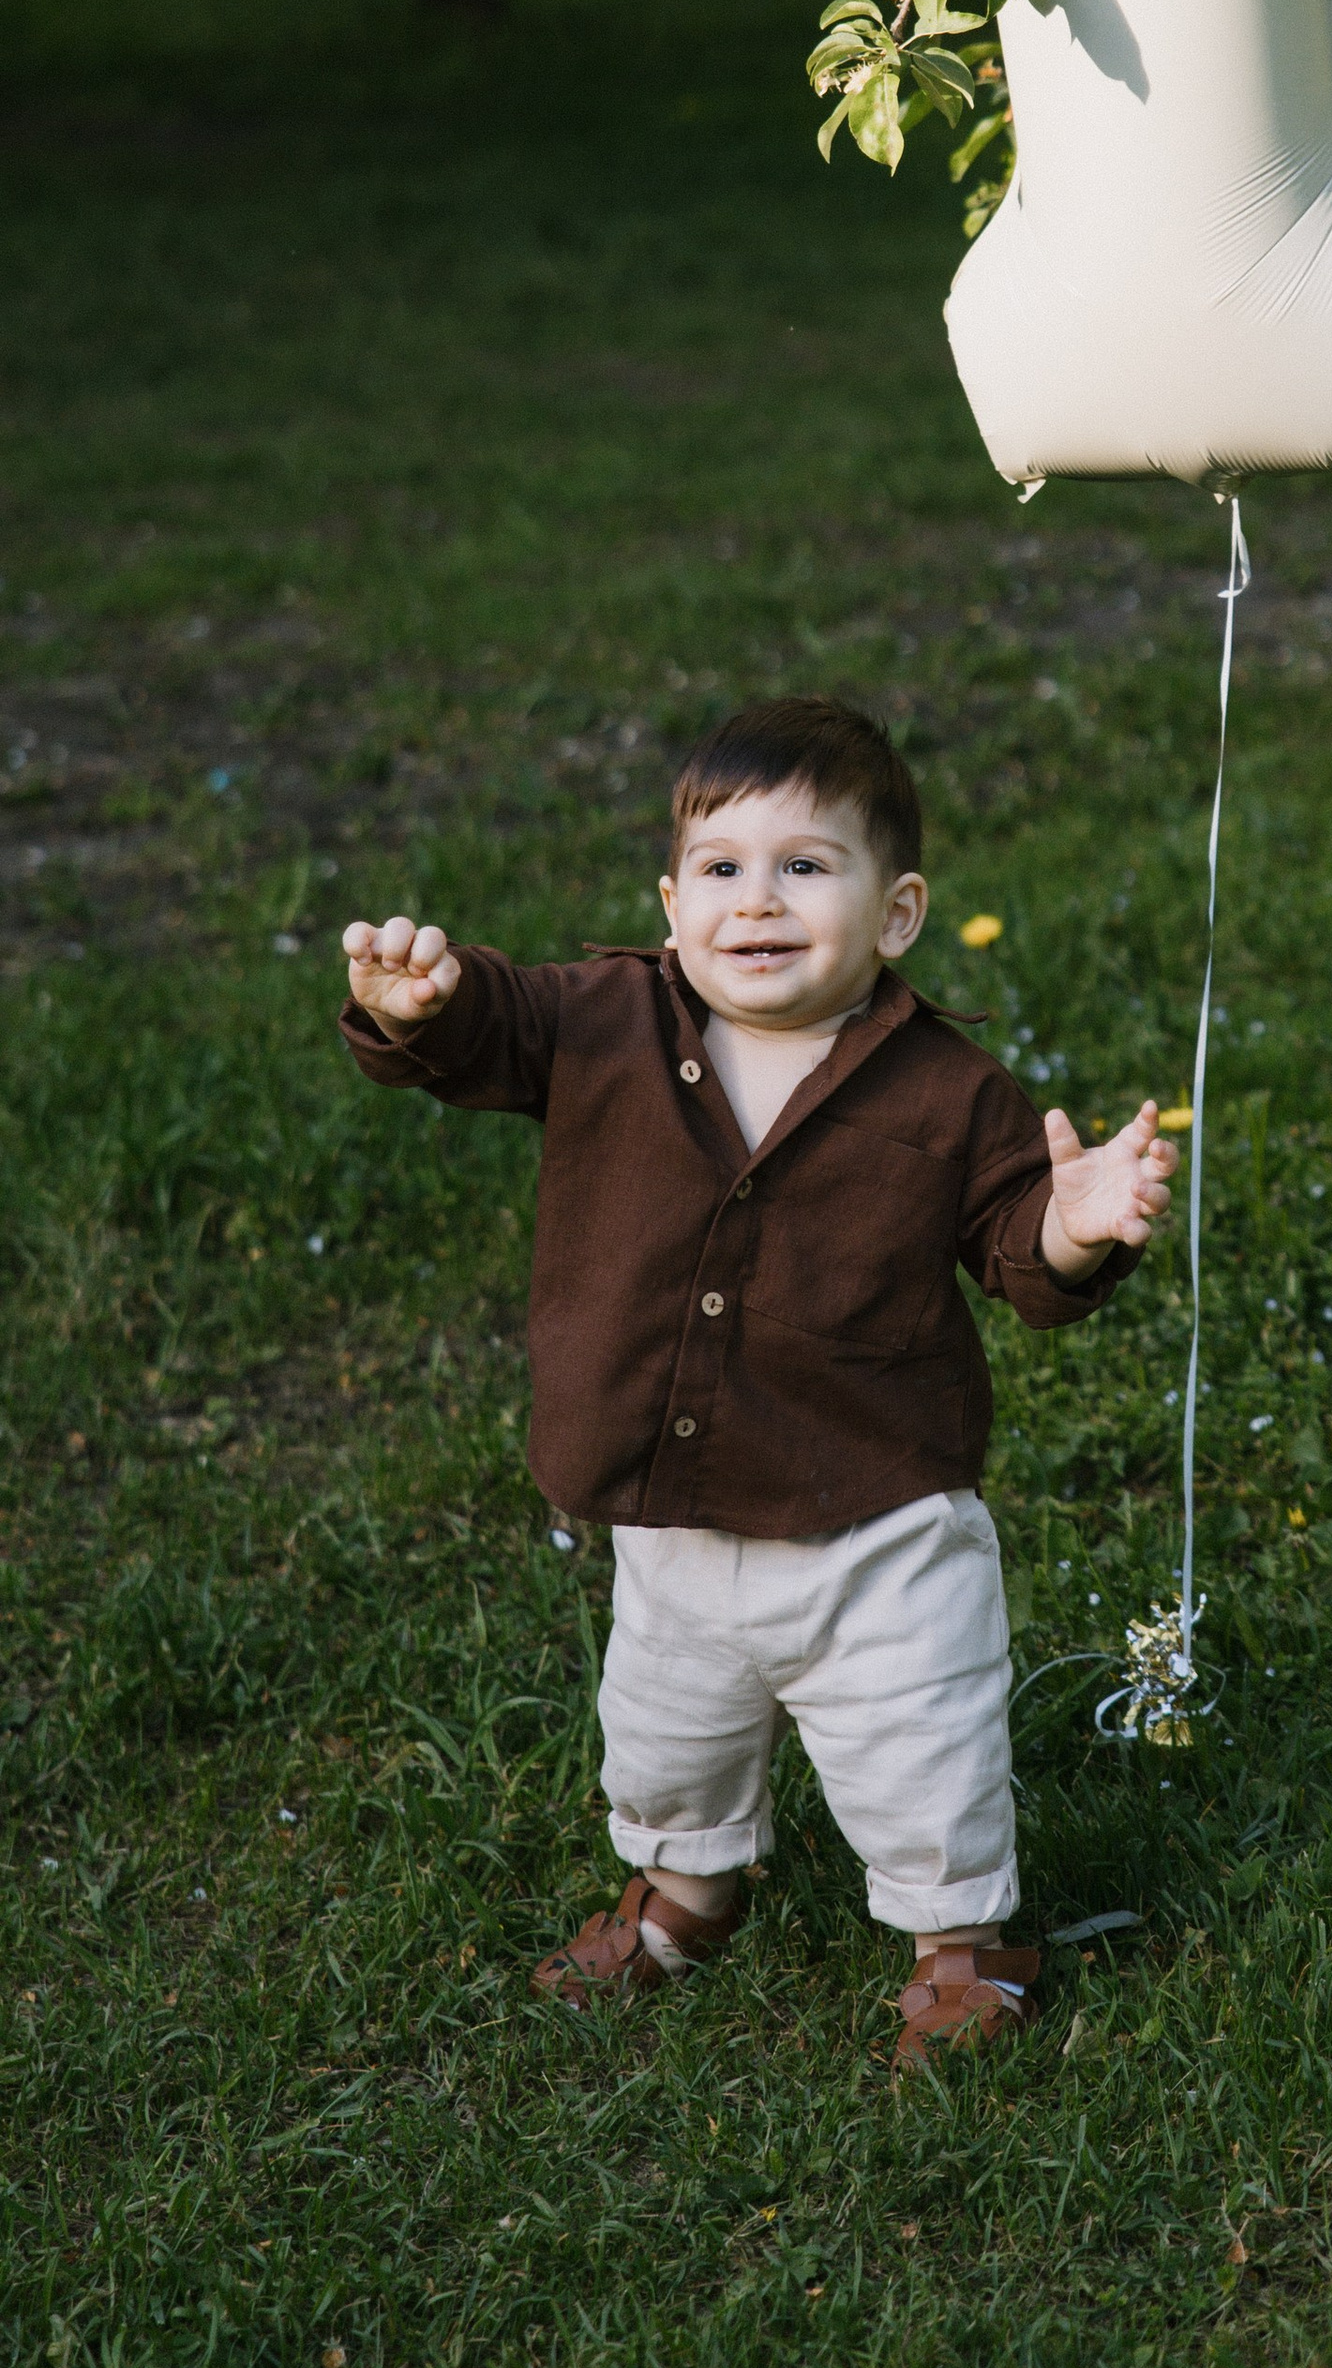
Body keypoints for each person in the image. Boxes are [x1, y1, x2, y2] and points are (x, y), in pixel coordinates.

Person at [336, 692, 1171, 2069]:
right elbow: (493, 1025)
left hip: (876, 1519)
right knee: (669, 1733)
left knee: (922, 1747)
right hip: (671, 1510)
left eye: (806, 866)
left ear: (897, 914)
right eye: (722, 868)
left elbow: (1018, 1254)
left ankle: (963, 1942)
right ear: (673, 907)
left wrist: (1075, 1224)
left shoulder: (948, 1091)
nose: (759, 900)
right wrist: (421, 1005)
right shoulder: (606, 1019)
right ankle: (687, 1891)